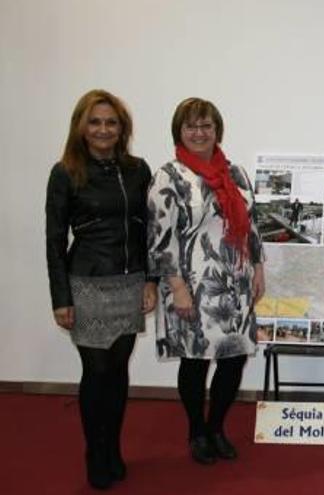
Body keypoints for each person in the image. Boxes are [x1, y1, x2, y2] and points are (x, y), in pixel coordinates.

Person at [45, 89, 156, 489]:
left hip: (128, 281)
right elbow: (54, 240)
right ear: (81, 126)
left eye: (111, 122)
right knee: (97, 370)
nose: (103, 129)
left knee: (119, 370)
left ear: (121, 127)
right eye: (95, 121)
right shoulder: (65, 172)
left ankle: (114, 448)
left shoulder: (138, 169)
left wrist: (150, 279)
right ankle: (96, 450)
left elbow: (149, 231)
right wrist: (61, 298)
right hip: (87, 281)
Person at [147, 97, 265, 465]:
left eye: (206, 126)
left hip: (237, 283)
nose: (200, 133)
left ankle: (216, 428)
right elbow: (159, 236)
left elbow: (252, 223)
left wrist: (258, 266)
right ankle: (196, 432)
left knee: (233, 359)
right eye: (191, 126)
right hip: (193, 286)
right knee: (196, 361)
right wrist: (177, 287)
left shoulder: (236, 174)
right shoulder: (169, 176)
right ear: (179, 132)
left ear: (217, 130)